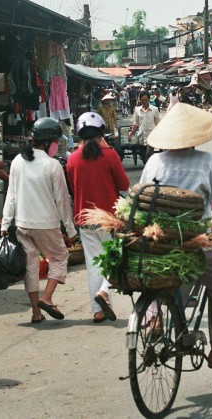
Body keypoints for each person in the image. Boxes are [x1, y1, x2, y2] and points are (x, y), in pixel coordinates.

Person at [140, 103, 212, 370]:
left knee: (163, 280)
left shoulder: (154, 162)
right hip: (194, 245)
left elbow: (142, 197)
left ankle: (153, 318)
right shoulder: (205, 162)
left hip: (157, 244)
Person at [1, 117, 77, 323]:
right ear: (48, 142)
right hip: (47, 224)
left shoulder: (17, 161)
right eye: (55, 141)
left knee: (31, 266)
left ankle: (36, 312)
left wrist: (5, 223)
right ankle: (47, 297)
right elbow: (63, 200)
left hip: (23, 224)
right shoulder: (52, 165)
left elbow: (11, 195)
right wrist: (70, 230)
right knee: (60, 257)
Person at [65, 112, 129, 323]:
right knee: (117, 258)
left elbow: (74, 188)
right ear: (102, 133)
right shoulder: (110, 155)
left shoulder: (72, 159)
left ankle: (98, 310)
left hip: (85, 220)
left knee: (94, 264)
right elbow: (124, 185)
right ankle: (104, 290)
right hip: (109, 219)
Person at [128, 91, 161, 160]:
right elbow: (136, 123)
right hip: (141, 136)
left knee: (149, 153)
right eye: (142, 100)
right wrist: (131, 134)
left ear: (149, 99)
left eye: (146, 100)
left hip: (151, 136)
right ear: (140, 100)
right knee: (143, 155)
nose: (144, 101)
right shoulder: (137, 110)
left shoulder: (155, 109)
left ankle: (149, 167)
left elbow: (158, 123)